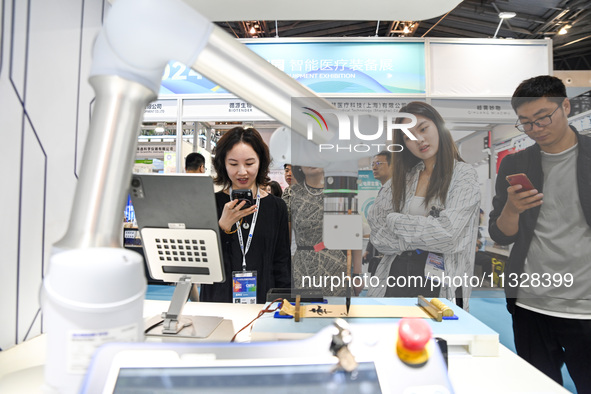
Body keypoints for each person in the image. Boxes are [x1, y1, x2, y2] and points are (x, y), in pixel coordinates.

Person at [488, 75, 591, 391]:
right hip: (530, 304)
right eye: (526, 123)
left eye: (543, 117)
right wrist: (512, 209)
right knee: (537, 386)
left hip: (584, 307)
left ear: (566, 106)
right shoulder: (515, 164)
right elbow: (500, 233)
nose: (536, 128)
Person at [368, 102, 480, 310]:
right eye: (408, 136)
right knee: (392, 337)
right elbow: (377, 234)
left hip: (440, 281)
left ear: (438, 126)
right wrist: (422, 236)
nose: (419, 140)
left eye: (423, 128)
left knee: (437, 340)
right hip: (395, 276)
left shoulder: (463, 175)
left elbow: (448, 236)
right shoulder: (403, 179)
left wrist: (396, 220)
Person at [200, 127, 291, 304]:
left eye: (249, 163)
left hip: (264, 300)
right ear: (223, 164)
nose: (242, 172)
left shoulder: (276, 206)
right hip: (218, 299)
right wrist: (222, 228)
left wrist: (284, 302)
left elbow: (282, 262)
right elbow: (203, 263)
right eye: (233, 164)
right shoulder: (211, 203)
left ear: (261, 162)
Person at [283, 166, 362, 296]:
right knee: (306, 312)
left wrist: (357, 273)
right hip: (303, 267)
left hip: (336, 265)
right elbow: (285, 240)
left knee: (338, 313)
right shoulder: (291, 194)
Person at [364, 151, 393, 276]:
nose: (374, 167)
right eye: (372, 164)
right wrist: (369, 250)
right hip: (379, 255)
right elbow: (377, 226)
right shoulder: (383, 191)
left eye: (379, 163)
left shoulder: (397, 192)